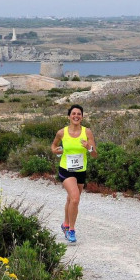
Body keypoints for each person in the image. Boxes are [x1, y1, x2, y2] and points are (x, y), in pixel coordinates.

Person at [51, 104, 97, 243]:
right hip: (66, 169)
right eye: (73, 114)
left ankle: (65, 224)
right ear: (69, 116)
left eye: (79, 114)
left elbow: (95, 154)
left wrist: (89, 148)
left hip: (81, 170)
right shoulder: (62, 133)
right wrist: (56, 151)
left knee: (71, 200)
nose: (76, 116)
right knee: (75, 199)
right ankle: (71, 230)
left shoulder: (87, 132)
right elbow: (53, 146)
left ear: (82, 117)